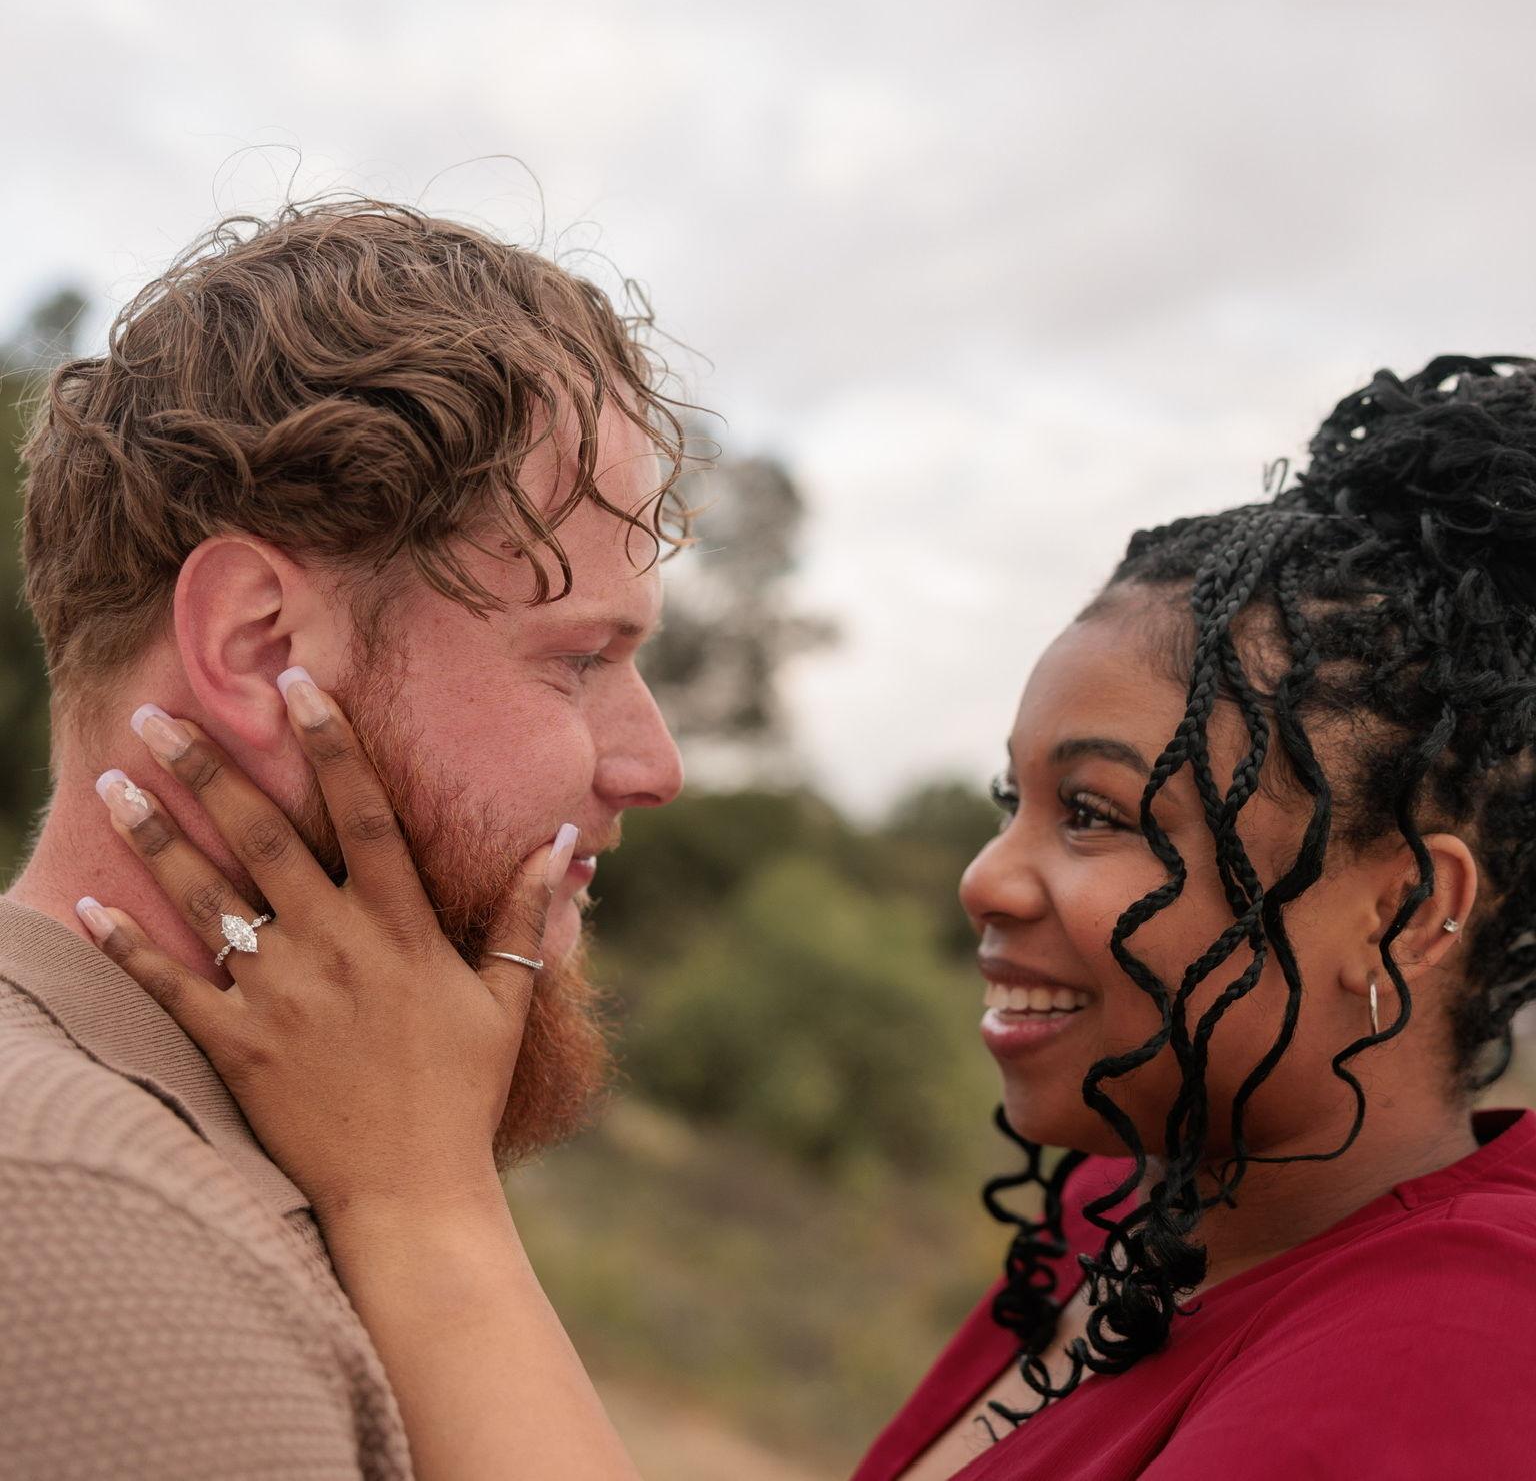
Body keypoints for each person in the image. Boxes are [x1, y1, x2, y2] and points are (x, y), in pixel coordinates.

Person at [74, 352, 1536, 1481]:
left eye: (1092, 813)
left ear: (1407, 902)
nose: (987, 875)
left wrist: (421, 1196)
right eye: (1007, 798)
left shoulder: (1460, 1357)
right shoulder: (1137, 1217)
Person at [0, 198, 688, 1478]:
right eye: (579, 659)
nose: (655, 765)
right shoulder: (83, 1224)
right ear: (262, 647)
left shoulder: (289, 1143)